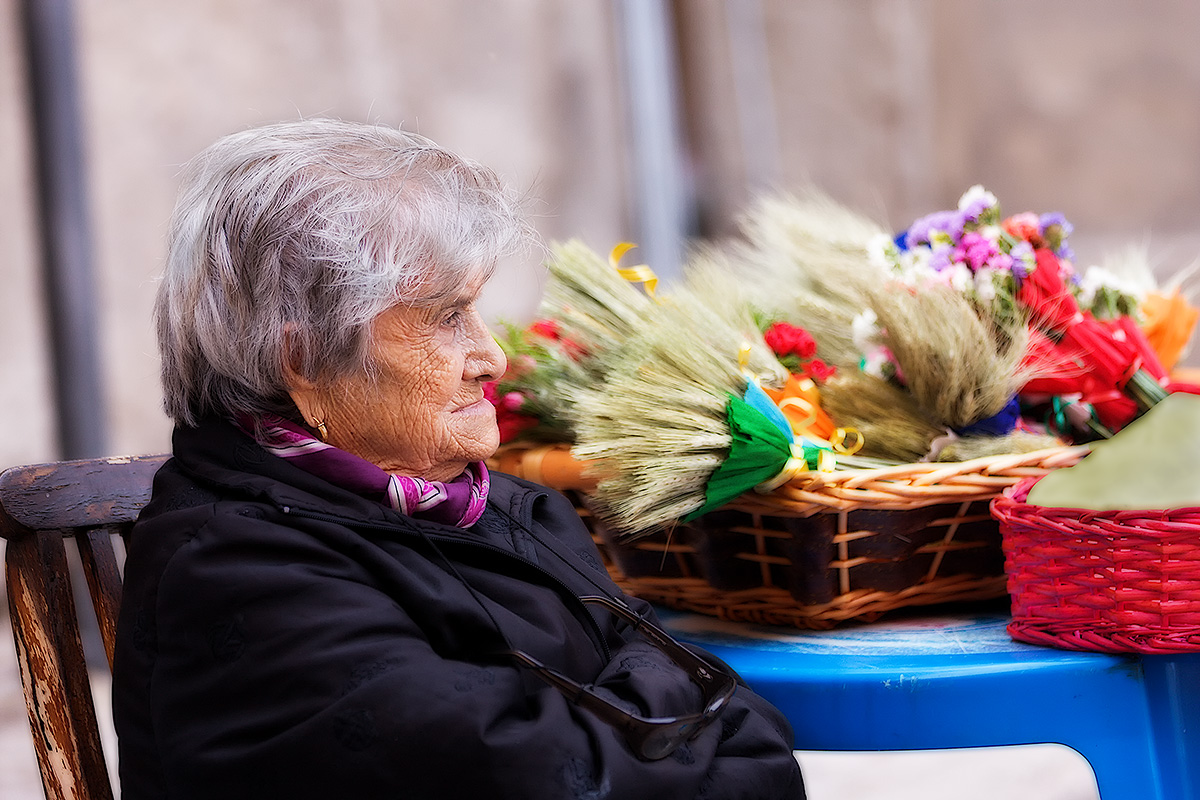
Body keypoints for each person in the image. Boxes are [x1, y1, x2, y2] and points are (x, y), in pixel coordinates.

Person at [112, 118, 805, 799]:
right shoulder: (241, 570)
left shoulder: (502, 508)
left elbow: (750, 729)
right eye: (447, 318)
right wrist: (653, 700)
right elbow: (535, 777)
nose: (492, 358)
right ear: (304, 359)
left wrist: (626, 711)